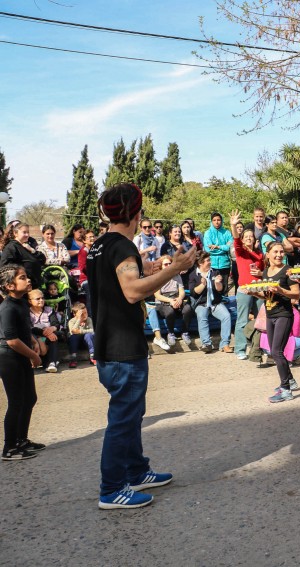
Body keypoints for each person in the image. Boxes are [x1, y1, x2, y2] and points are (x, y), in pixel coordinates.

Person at [88, 182, 196, 509]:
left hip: (111, 345)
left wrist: (161, 265)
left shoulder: (102, 245)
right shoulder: (120, 247)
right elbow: (133, 290)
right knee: (124, 417)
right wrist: (176, 269)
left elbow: (130, 273)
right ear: (135, 213)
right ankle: (112, 489)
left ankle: (136, 471)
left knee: (133, 413)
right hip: (122, 348)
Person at [0, 264, 44, 461]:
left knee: (30, 398)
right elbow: (11, 340)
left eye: (27, 277)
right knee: (16, 402)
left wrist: (34, 341)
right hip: (8, 358)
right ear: (10, 285)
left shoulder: (22, 302)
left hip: (21, 355)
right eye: (22, 278)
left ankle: (22, 440)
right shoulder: (7, 307)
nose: (28, 280)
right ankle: (9, 448)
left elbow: (25, 330)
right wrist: (33, 356)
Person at [250, 242, 300, 403]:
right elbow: (268, 297)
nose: (279, 254)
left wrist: (280, 290)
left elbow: (296, 295)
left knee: (278, 351)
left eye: (281, 252)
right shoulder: (266, 271)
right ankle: (290, 380)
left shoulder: (288, 271)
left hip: (284, 315)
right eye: (275, 252)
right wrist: (255, 293)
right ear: (268, 254)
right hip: (270, 315)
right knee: (274, 351)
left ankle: (285, 389)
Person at [230, 211, 264, 360]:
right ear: (243, 239)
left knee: (260, 320)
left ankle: (257, 348)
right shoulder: (240, 251)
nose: (249, 238)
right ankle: (240, 348)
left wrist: (260, 272)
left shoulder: (259, 254)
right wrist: (233, 224)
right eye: (246, 236)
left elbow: (263, 269)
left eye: (251, 236)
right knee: (242, 320)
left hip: (259, 290)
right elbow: (235, 239)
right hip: (244, 289)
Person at [188, 252, 233, 354]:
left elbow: (220, 290)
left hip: (215, 303)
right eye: (207, 260)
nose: (210, 262)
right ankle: (207, 344)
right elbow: (194, 293)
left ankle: (225, 344)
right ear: (200, 263)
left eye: (209, 260)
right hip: (201, 303)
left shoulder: (215, 272)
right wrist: (203, 284)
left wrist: (217, 283)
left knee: (226, 316)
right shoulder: (193, 275)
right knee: (202, 316)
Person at [152, 256, 193, 348]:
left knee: (188, 309)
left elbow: (181, 291)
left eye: (169, 264)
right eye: (165, 264)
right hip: (163, 300)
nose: (168, 265)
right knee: (169, 312)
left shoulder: (176, 276)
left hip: (176, 297)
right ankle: (170, 333)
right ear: (161, 266)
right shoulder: (157, 277)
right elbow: (157, 295)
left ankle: (185, 332)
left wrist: (179, 299)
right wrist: (170, 301)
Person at [0, 223, 46, 289]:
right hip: (20, 288)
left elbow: (42, 259)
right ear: (15, 233)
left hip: (33, 285)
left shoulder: (27, 246)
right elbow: (5, 267)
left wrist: (32, 250)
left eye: (28, 232)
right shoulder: (11, 248)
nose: (27, 235)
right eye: (24, 232)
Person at [28, 289, 61, 373]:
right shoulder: (27, 312)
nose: (41, 300)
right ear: (30, 301)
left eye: (42, 298)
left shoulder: (49, 310)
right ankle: (51, 362)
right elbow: (30, 327)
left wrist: (51, 329)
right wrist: (44, 333)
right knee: (45, 340)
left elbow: (56, 323)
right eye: (38, 299)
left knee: (54, 336)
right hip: (37, 336)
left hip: (49, 334)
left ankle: (51, 363)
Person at [203, 212, 234, 293]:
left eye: (219, 220)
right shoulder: (207, 233)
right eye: (214, 220)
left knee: (224, 288)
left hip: (225, 264)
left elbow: (229, 247)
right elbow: (208, 249)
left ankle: (225, 304)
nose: (217, 222)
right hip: (212, 264)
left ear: (222, 221)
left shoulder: (227, 233)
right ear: (211, 221)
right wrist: (223, 247)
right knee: (212, 287)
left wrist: (217, 247)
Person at [67, 302, 95, 367]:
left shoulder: (88, 319)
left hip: (86, 342)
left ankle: (92, 355)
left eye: (86, 313)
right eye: (82, 314)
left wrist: (80, 331)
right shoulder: (71, 321)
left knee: (89, 335)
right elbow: (73, 331)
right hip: (75, 343)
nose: (85, 315)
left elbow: (92, 331)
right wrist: (79, 320)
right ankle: (73, 357)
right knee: (73, 337)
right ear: (74, 314)